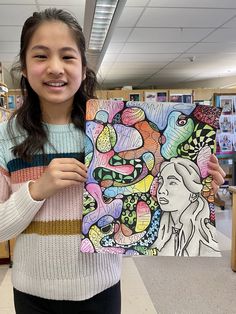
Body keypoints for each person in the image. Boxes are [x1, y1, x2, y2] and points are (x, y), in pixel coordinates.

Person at [0, 7, 225, 314]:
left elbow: (145, 212)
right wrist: (35, 191)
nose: (55, 67)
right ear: (24, 67)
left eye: (67, 56)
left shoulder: (116, 130)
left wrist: (199, 185)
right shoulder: (7, 136)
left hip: (102, 289)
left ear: (83, 66)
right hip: (32, 294)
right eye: (40, 56)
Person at [154, 157, 223, 257]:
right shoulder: (163, 230)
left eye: (172, 182)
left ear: (193, 194)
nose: (161, 190)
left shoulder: (206, 240)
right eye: (161, 182)